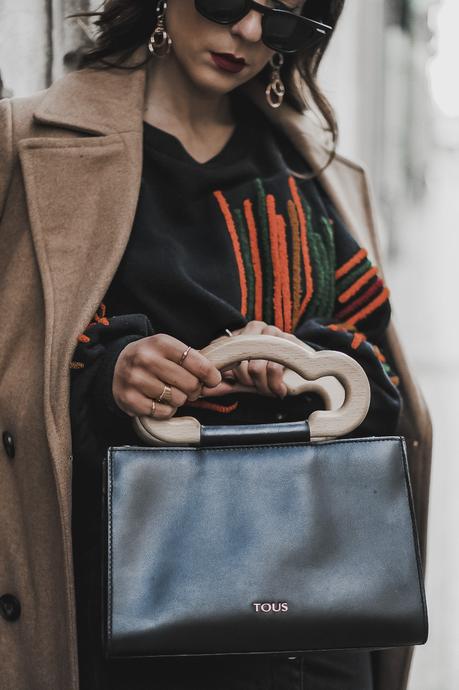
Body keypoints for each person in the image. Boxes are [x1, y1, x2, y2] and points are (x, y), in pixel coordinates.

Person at [0, 0, 432, 689]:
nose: (252, 33)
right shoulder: (32, 147)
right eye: (228, 2)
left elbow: (380, 382)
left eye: (287, 22)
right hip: (132, 609)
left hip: (315, 619)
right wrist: (111, 374)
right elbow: (23, 365)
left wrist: (308, 364)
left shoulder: (316, 174)